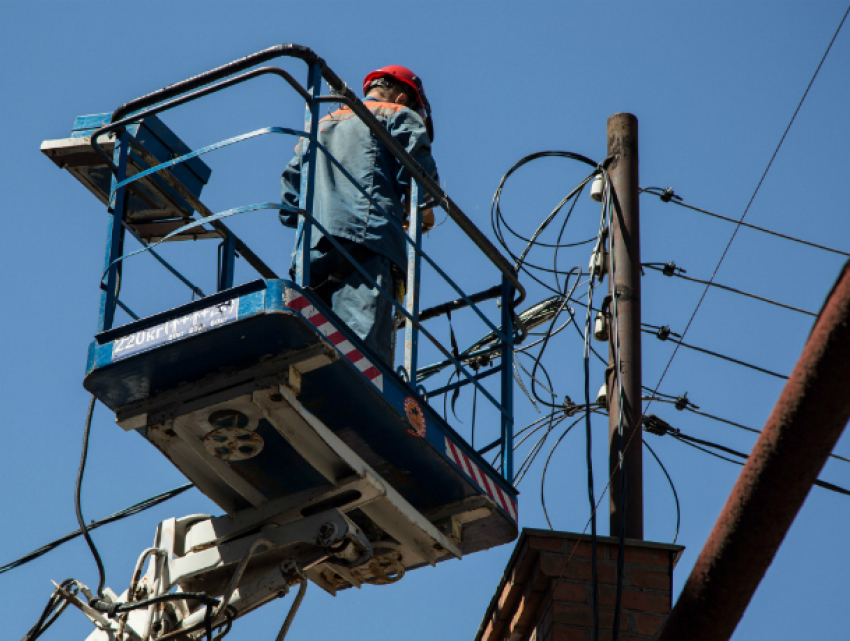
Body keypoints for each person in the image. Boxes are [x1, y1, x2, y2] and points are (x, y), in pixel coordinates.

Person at [280, 65, 439, 366]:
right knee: (363, 362)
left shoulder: (317, 126)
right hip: (369, 246)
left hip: (312, 253)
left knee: (310, 350)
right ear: (402, 98)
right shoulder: (398, 115)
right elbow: (421, 181)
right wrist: (422, 212)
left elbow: (289, 207)